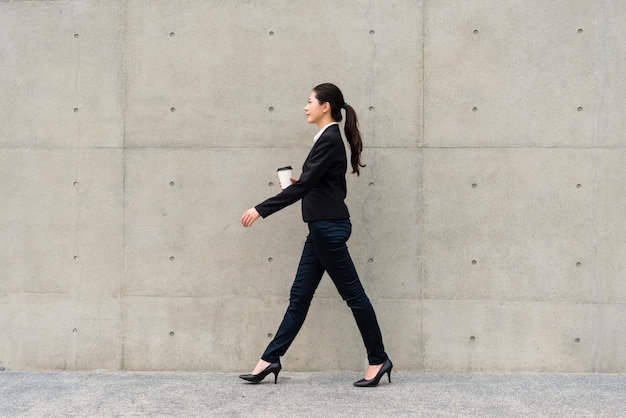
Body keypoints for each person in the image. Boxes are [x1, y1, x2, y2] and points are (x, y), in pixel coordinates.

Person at [239, 83, 392, 387]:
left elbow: (309, 187)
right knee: (299, 297)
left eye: (309, 101)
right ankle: (270, 359)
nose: (305, 106)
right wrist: (303, 182)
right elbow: (332, 186)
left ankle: (378, 359)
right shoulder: (328, 139)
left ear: (325, 106)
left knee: (354, 296)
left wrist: (261, 209)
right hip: (322, 229)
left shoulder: (330, 139)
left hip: (328, 230)